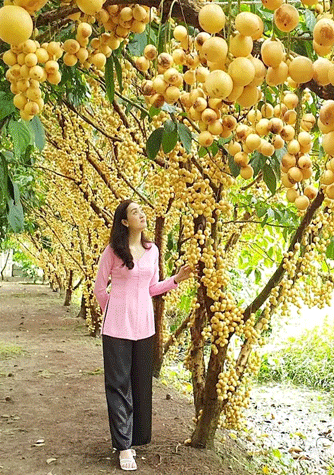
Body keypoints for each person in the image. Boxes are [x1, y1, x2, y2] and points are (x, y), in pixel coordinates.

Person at [94, 199, 193, 471]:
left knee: (140, 384)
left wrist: (176, 279)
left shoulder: (152, 250)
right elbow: (100, 289)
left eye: (141, 210)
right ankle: (123, 447)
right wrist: (113, 311)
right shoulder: (113, 251)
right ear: (124, 222)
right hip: (116, 328)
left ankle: (135, 438)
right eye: (134, 212)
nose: (141, 215)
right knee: (118, 386)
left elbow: (151, 288)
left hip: (144, 326)